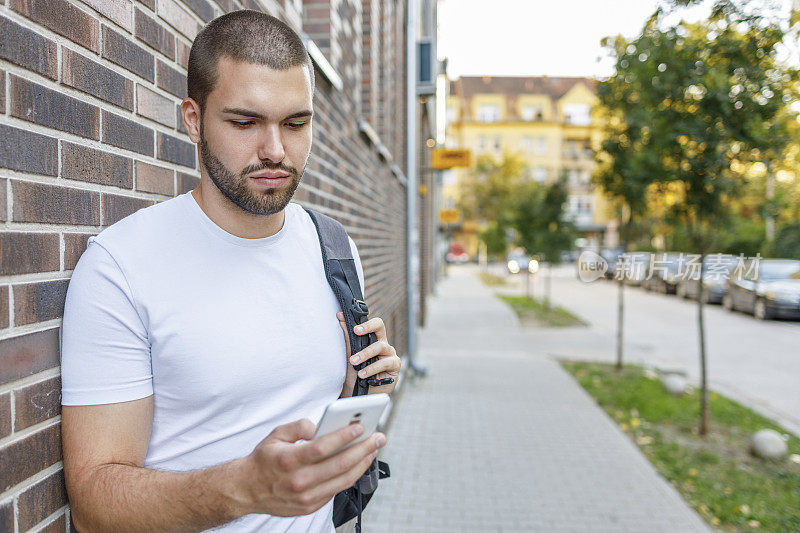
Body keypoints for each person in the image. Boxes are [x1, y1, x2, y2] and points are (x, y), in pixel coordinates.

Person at [60, 10, 401, 532]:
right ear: (194, 119)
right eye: (244, 123)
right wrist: (243, 488)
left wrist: (359, 393)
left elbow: (302, 421)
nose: (275, 151)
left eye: (296, 123)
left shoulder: (331, 244)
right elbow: (93, 503)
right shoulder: (121, 267)